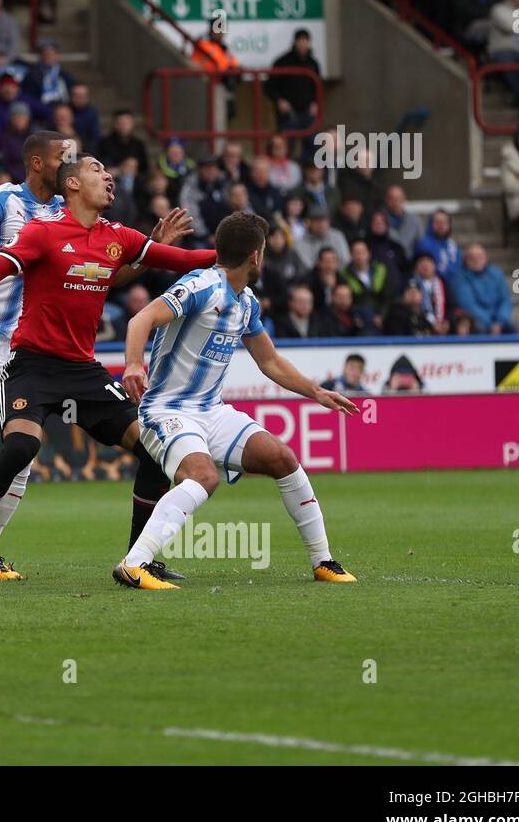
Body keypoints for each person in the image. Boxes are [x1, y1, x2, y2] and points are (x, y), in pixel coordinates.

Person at [0, 136, 199, 579]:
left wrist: (151, 250)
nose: (74, 162)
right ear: (41, 163)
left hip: (44, 346)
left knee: (23, 454)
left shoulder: (71, 218)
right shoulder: (4, 200)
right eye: (64, 157)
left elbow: (100, 273)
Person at [118, 211, 358, 589]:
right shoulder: (200, 285)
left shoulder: (245, 301)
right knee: (203, 476)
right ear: (255, 256)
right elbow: (141, 319)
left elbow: (270, 361)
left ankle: (323, 560)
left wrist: (316, 391)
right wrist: (133, 363)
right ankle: (134, 563)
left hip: (212, 412)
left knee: (283, 458)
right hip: (167, 411)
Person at [451, 243, 517, 334]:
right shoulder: (460, 277)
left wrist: (500, 321)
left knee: (513, 328)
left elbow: (505, 299)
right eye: (472, 258)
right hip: (476, 318)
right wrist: (490, 324)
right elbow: (468, 304)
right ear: (465, 260)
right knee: (480, 329)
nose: (476, 260)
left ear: (486, 258)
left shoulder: (496, 273)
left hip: (498, 318)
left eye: (479, 257)